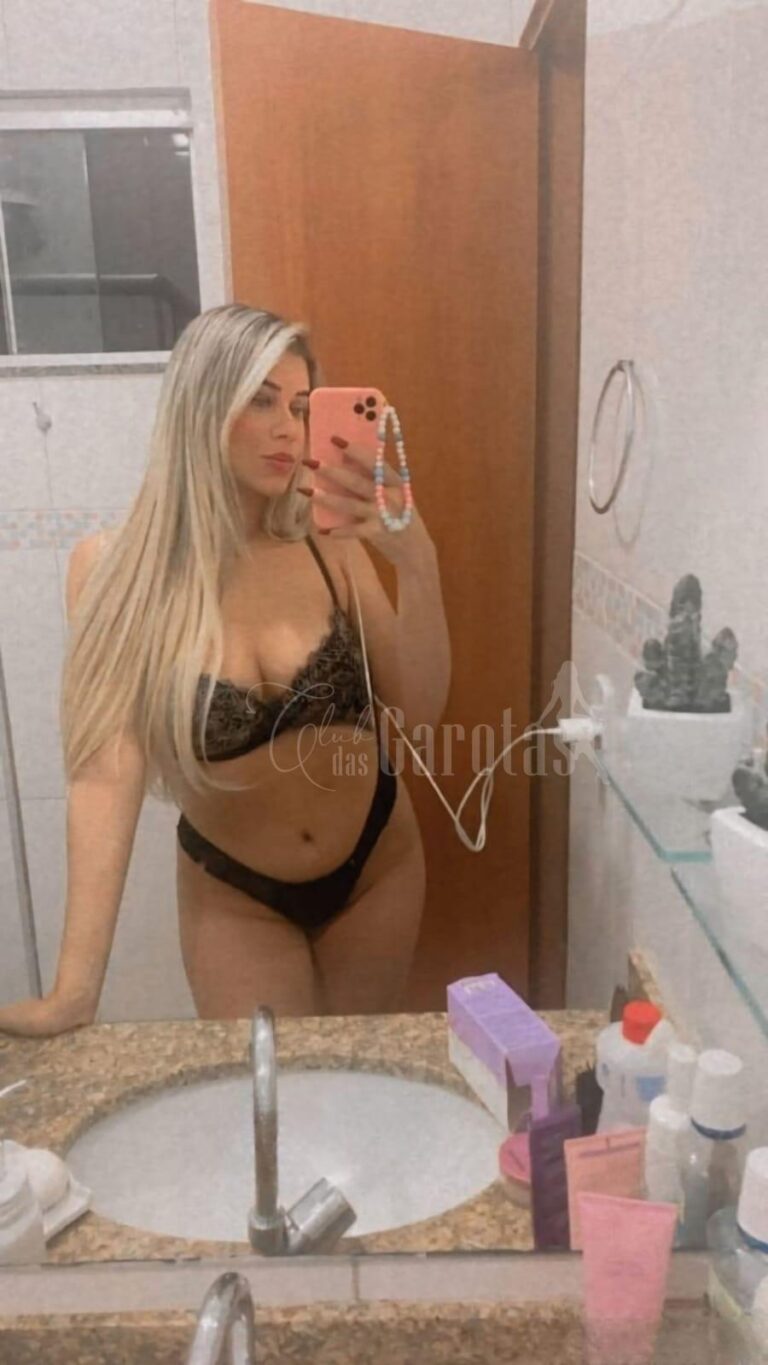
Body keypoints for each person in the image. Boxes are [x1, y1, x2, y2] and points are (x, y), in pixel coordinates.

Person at [0, 304, 451, 1036]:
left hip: (378, 866)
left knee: (356, 1082)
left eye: (300, 407)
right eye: (261, 401)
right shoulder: (116, 571)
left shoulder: (328, 543)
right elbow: (104, 776)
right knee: (271, 1088)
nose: (288, 430)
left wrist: (419, 565)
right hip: (237, 893)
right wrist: (74, 992)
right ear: (203, 406)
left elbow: (418, 716)